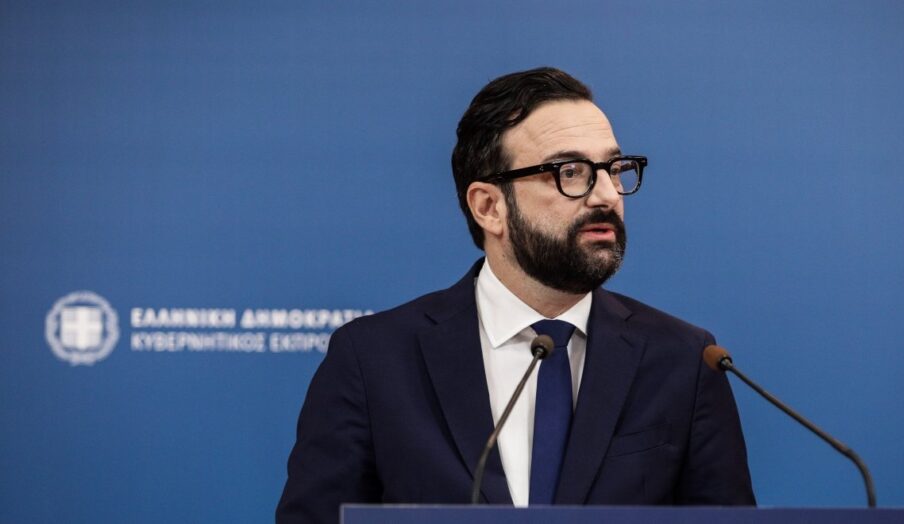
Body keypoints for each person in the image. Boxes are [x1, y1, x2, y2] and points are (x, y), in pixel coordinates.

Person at [277, 67, 755, 522]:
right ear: (489, 206)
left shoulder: (684, 359)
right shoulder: (373, 360)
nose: (608, 194)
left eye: (614, 168)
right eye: (571, 171)